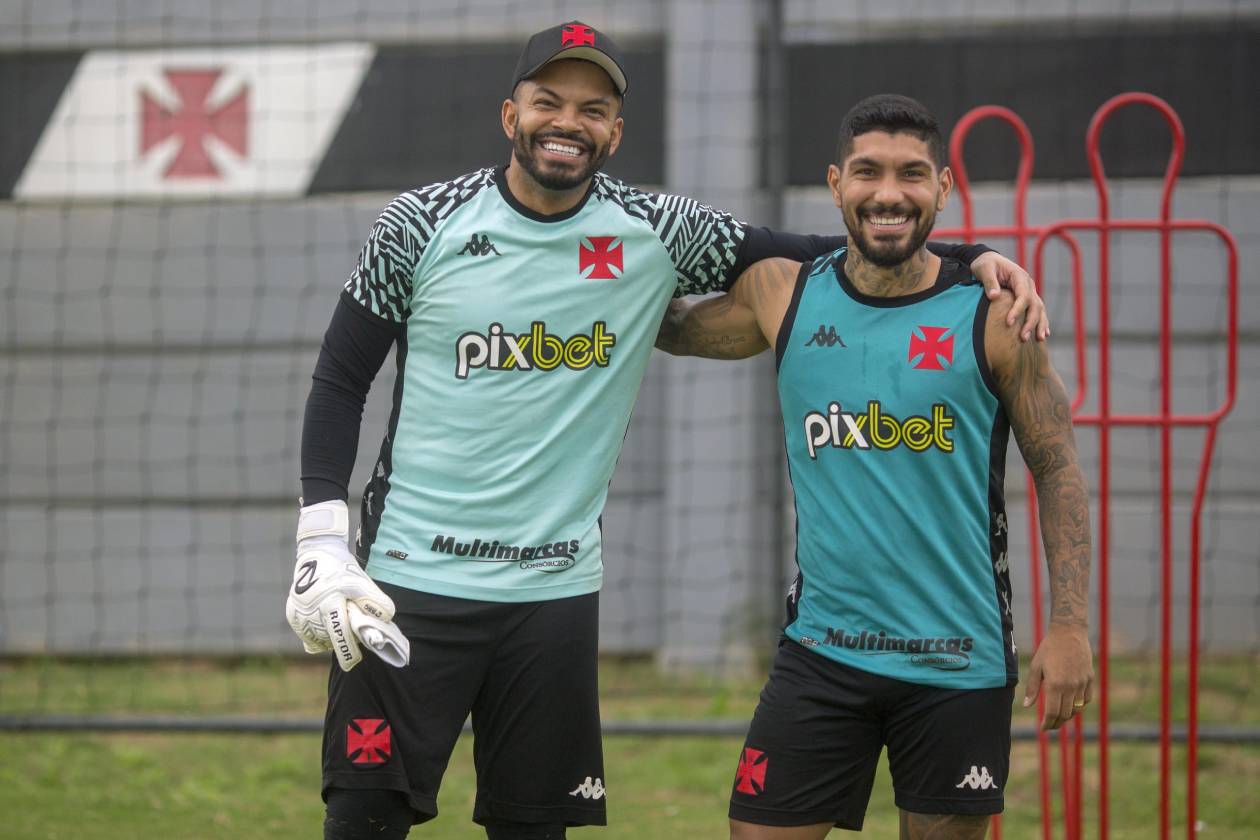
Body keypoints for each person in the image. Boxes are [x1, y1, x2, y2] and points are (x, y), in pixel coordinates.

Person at [284, 20, 1050, 840]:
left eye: (593, 108)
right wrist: (323, 538)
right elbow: (340, 378)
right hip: (408, 586)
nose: (567, 122)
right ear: (510, 115)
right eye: (549, 101)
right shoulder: (419, 223)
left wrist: (973, 258)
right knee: (361, 822)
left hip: (553, 595)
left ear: (616, 130)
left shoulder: (656, 228)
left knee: (535, 829)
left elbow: (831, 248)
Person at [656, 94, 1094, 840]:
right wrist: (577, 266)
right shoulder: (782, 292)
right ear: (835, 184)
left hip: (958, 659)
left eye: (911, 175)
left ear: (943, 189)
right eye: (867, 172)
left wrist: (1071, 627)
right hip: (824, 654)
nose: (888, 192)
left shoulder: (994, 314)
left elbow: (1057, 468)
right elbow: (667, 328)